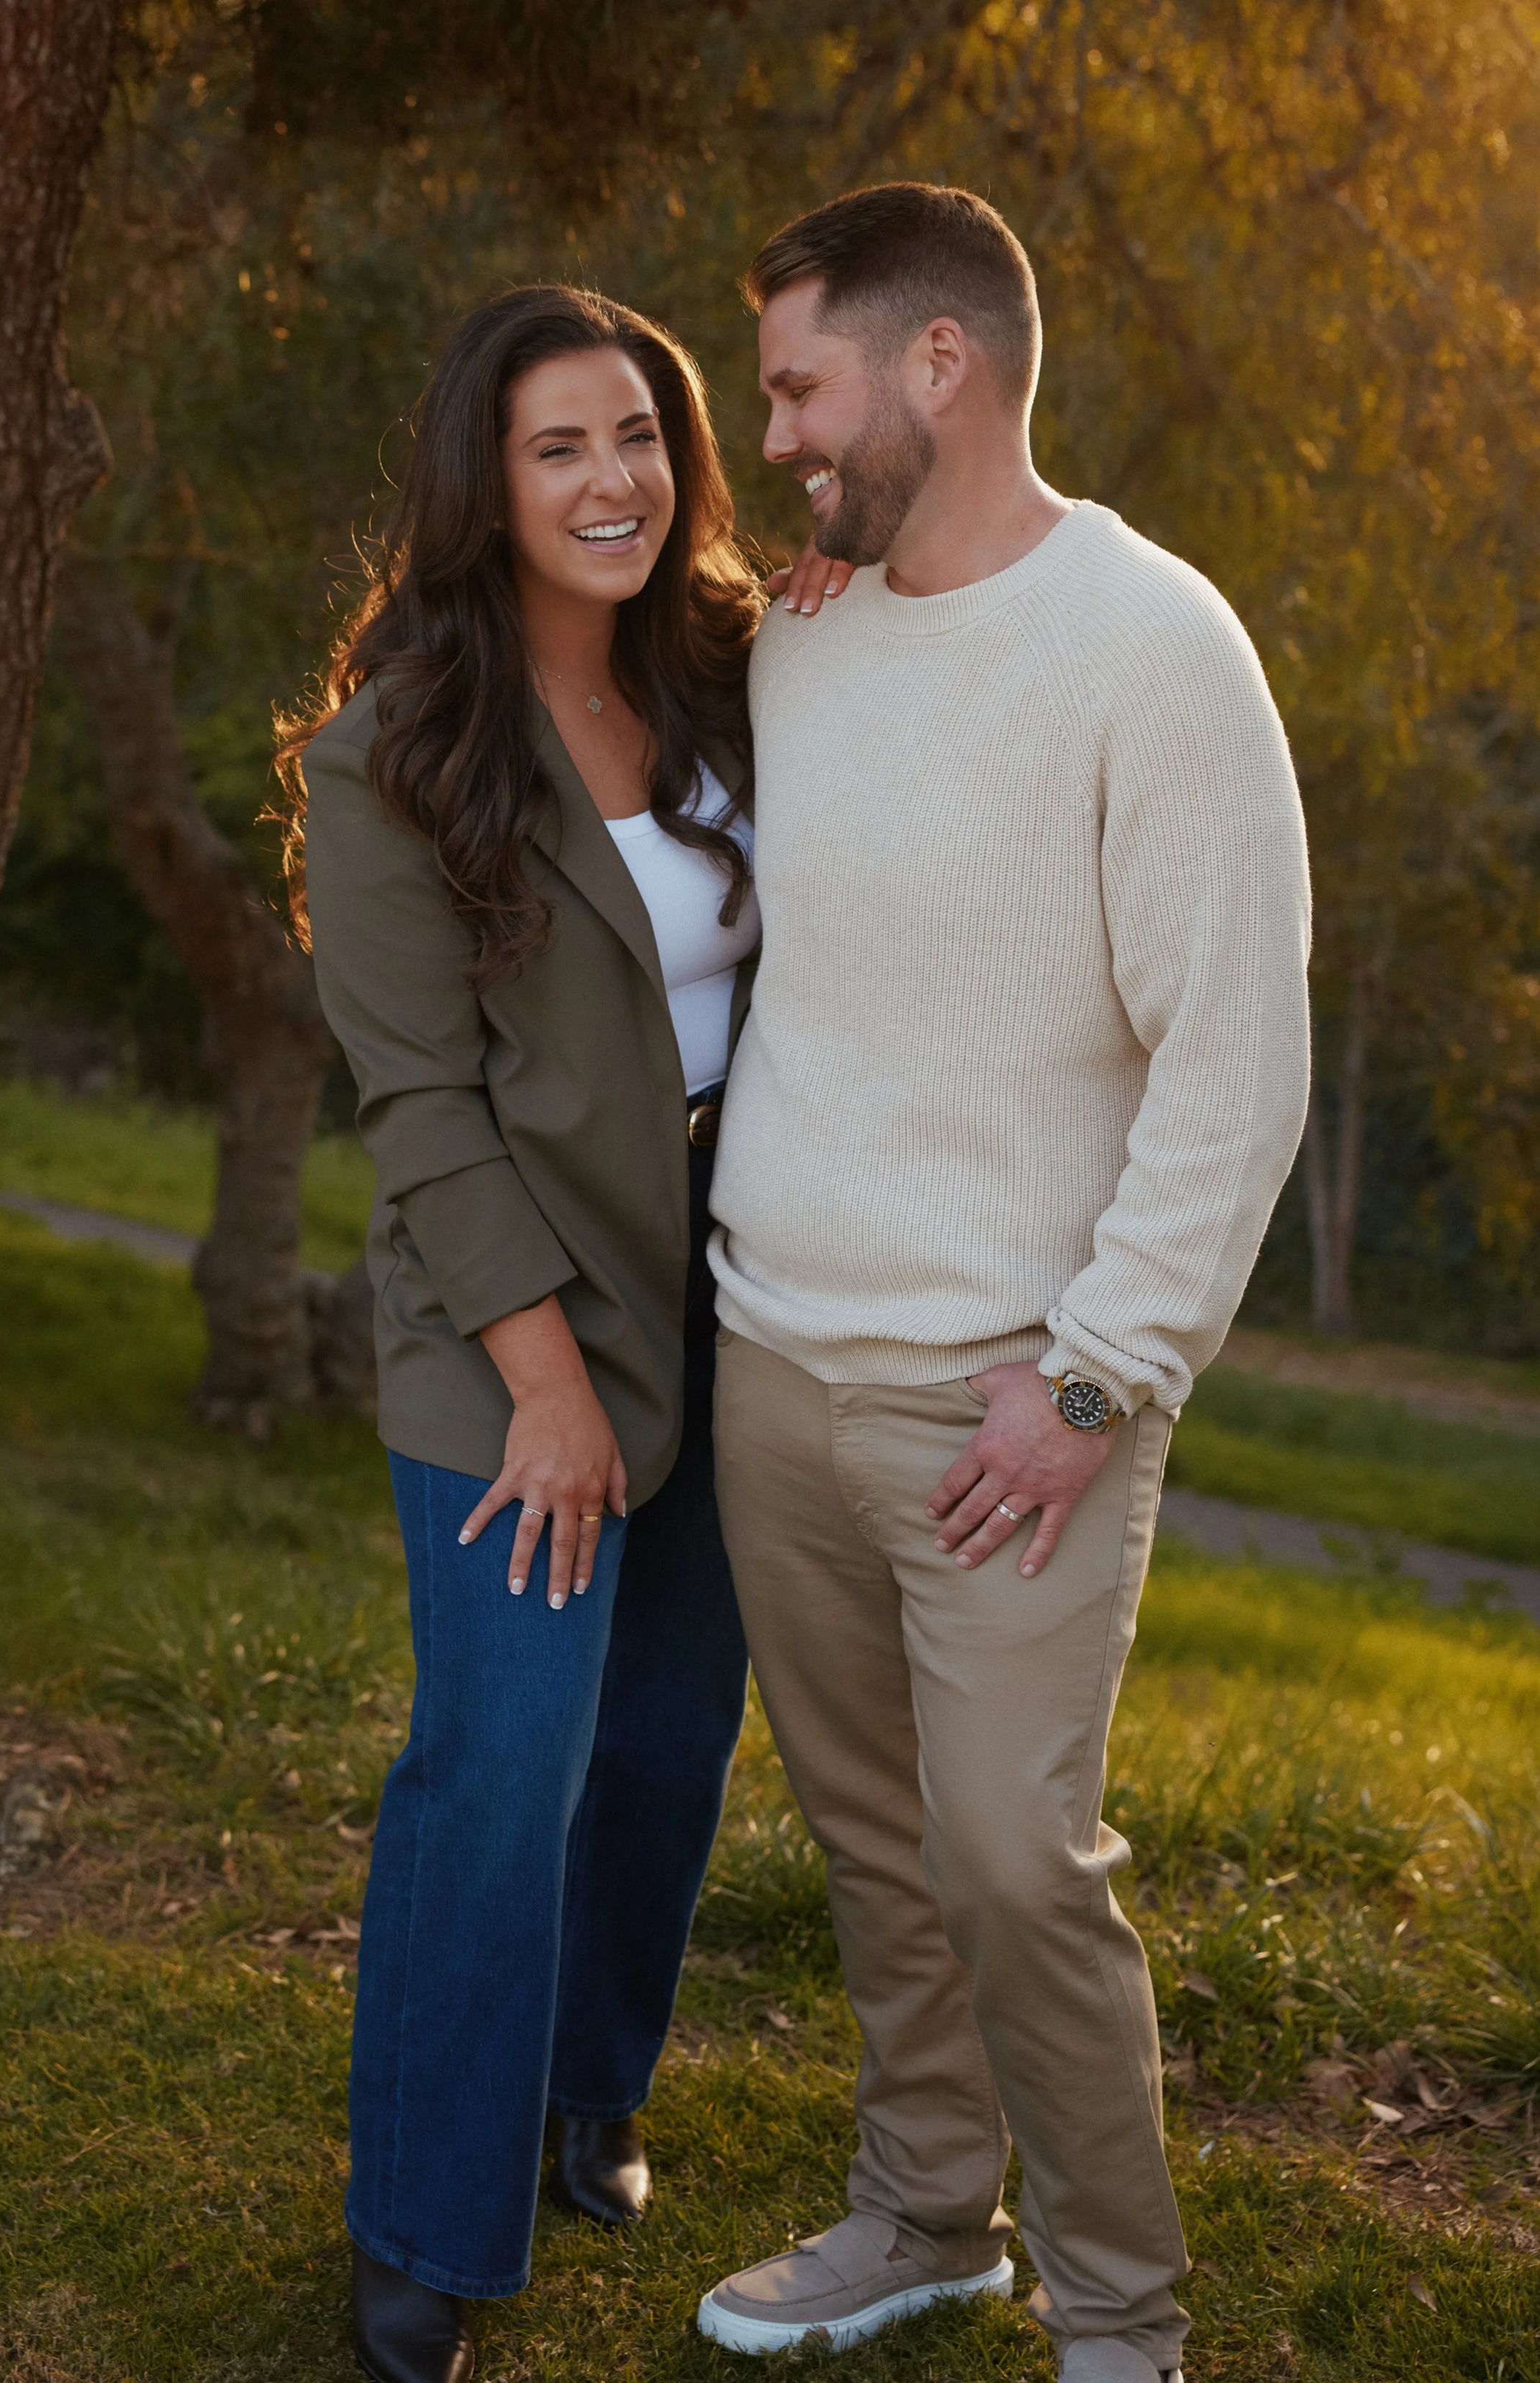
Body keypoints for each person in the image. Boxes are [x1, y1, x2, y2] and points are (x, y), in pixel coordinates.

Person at [696, 184, 1312, 2383]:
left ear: (932, 364)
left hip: (1010, 1401)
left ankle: (1123, 2326)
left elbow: (1235, 1053)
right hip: (772, 1358)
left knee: (1013, 1863)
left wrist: (1093, 1376)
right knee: (875, 1846)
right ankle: (923, 2216)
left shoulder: (1155, 645)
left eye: (793, 383)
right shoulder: (808, 626)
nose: (766, 433)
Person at [282, 283, 827, 2383]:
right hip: (509, 1306)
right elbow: (418, 1105)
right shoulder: (394, 748)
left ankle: (591, 2089)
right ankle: (421, 2216)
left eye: (638, 439)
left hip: (741, 1281)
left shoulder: (741, 671)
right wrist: (548, 1393)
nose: (612, 482)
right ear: (481, 483)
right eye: (556, 448)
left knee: (673, 1731)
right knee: (500, 1757)